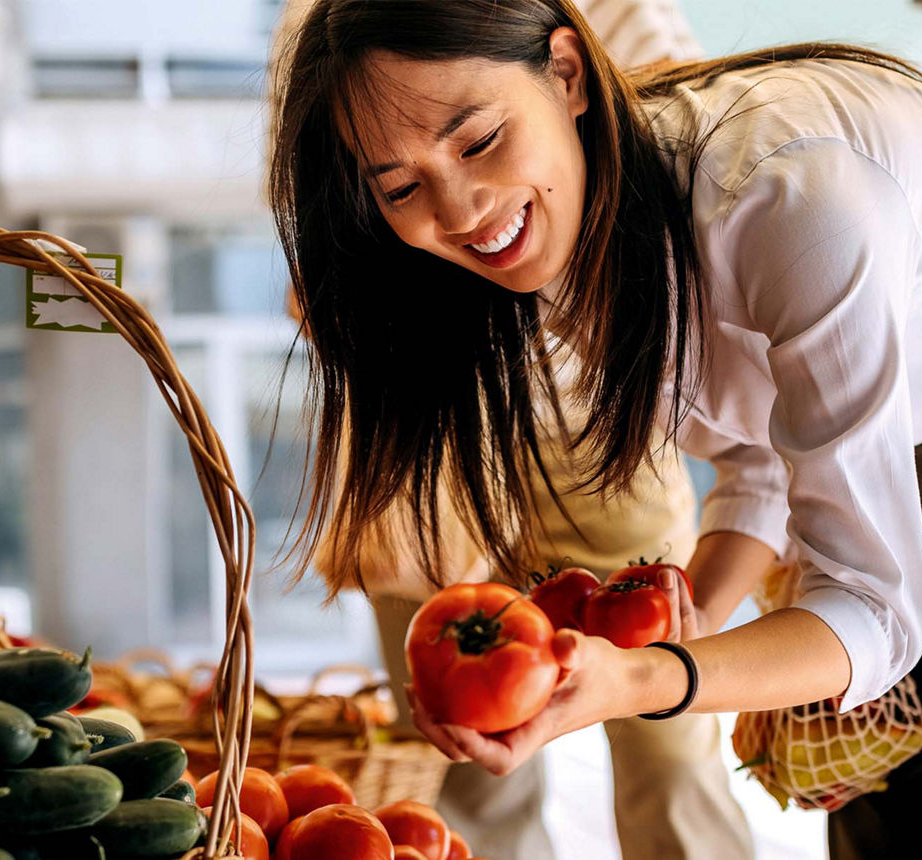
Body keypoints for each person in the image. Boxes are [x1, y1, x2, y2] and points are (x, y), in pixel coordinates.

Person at [267, 2, 922, 859]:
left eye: (477, 142)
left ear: (567, 72)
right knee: (888, 839)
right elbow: (761, 465)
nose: (462, 207)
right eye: (401, 187)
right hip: (887, 484)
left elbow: (876, 611)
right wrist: (668, 623)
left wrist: (644, 679)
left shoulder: (790, 198)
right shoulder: (549, 241)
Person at [268, 2, 753, 857]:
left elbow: (677, 152)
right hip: (435, 433)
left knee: (668, 735)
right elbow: (340, 242)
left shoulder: (608, 14)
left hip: (606, 418)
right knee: (470, 761)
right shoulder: (319, 31)